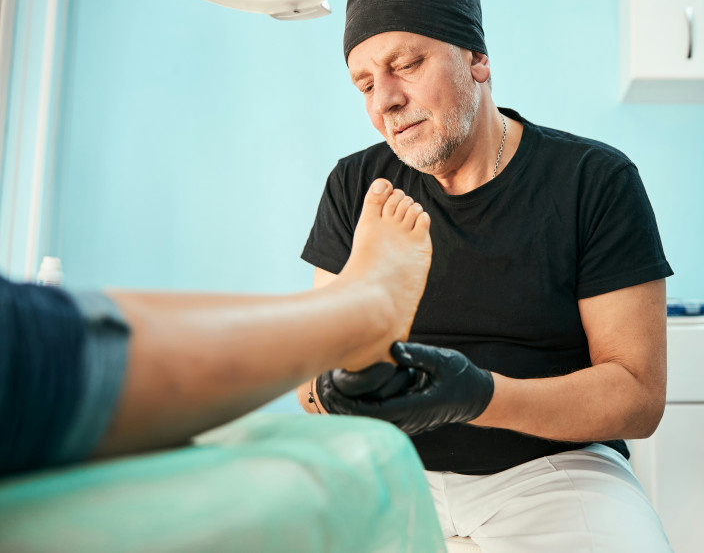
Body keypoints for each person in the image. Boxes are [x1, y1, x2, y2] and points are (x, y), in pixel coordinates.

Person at [297, 0, 674, 552]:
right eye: (365, 84)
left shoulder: (592, 179)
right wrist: (335, 388)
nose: (385, 100)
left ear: (477, 60)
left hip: (552, 468)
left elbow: (638, 397)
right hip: (393, 469)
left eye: (406, 64)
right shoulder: (358, 186)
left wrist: (479, 395)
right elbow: (310, 388)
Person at [1, 178, 432, 478]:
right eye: (365, 86)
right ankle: (366, 314)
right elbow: (312, 397)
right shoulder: (351, 179)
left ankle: (361, 310)